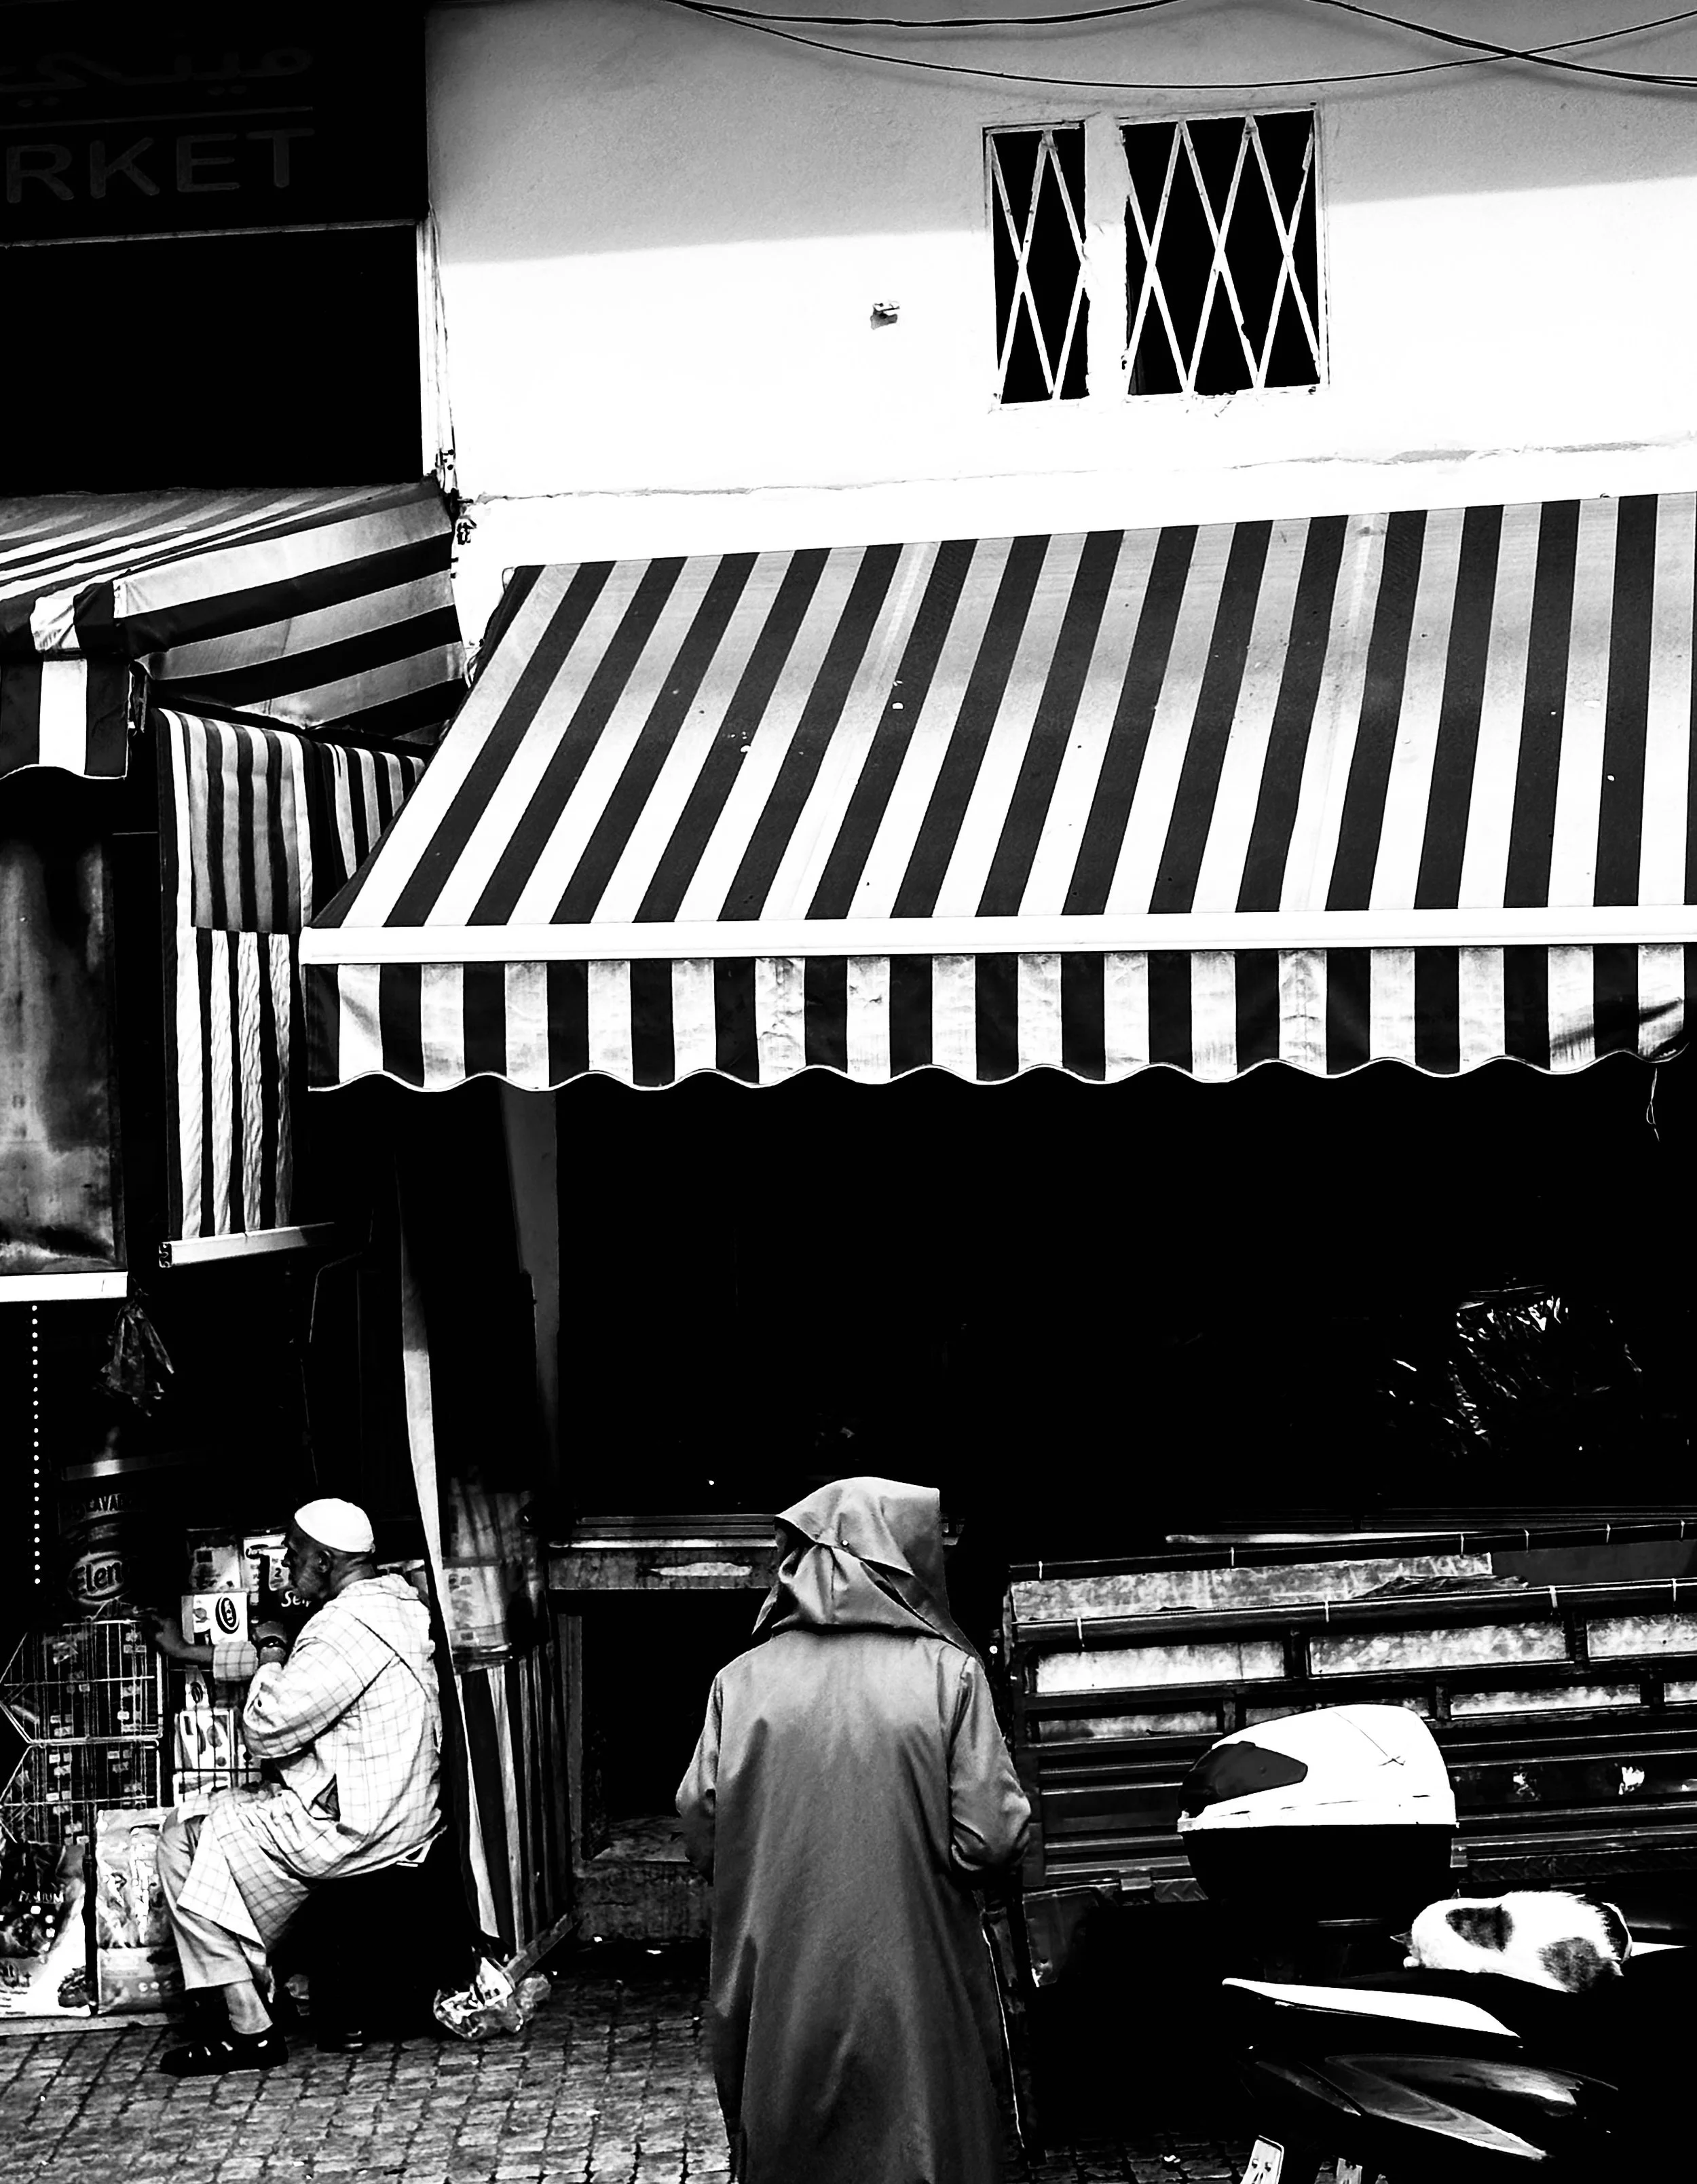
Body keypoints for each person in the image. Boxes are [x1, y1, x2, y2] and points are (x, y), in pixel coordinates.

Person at [676, 1476, 1031, 2184]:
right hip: (914, 1979)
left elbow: (703, 1831)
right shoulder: (949, 1675)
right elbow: (989, 1836)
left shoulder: (740, 1682)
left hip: (780, 1979)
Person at [148, 1497, 443, 2076]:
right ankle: (261, 1994)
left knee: (182, 1840)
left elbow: (265, 1728)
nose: (284, 1564)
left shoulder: (340, 1628)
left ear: (327, 1562)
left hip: (354, 1831)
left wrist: (274, 1649)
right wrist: (192, 1652)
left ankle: (250, 2028)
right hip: (403, 1812)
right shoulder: (394, 1607)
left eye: (295, 1553)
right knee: (220, 1829)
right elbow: (308, 1675)